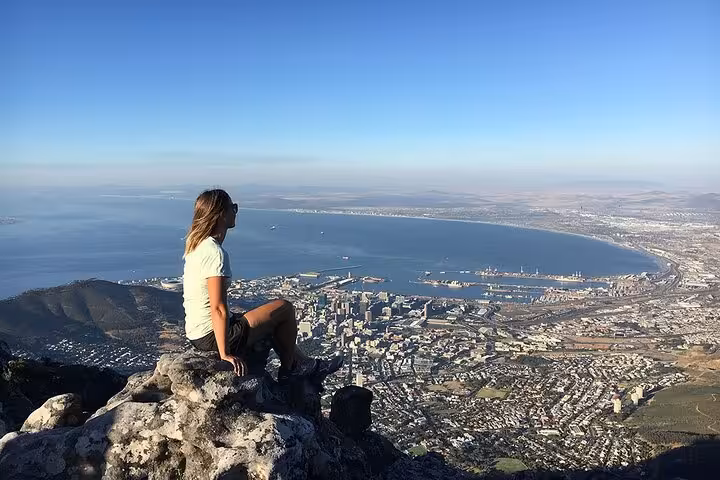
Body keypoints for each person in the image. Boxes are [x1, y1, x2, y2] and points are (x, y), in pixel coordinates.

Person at [182, 188, 342, 382]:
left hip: (196, 333)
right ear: (221, 214)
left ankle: (303, 363)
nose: (235, 211)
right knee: (285, 308)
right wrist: (224, 354)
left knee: (271, 319)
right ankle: (290, 370)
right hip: (210, 336)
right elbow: (218, 308)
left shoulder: (196, 246)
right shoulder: (214, 253)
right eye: (233, 207)